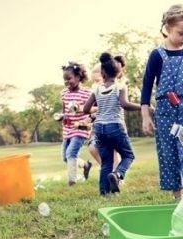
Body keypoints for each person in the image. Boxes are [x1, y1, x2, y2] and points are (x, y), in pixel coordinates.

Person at [140, 4, 183, 201]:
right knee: (169, 153)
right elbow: (146, 87)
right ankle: (177, 196)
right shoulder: (157, 55)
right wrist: (145, 116)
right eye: (181, 33)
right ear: (167, 28)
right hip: (165, 111)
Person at [83, 52, 141, 196]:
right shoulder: (120, 87)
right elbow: (124, 104)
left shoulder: (96, 89)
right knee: (128, 156)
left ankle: (104, 191)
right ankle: (117, 174)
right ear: (118, 72)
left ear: (102, 73)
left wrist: (98, 111)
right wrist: (143, 106)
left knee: (106, 161)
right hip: (115, 126)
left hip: (99, 128)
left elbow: (85, 109)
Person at [87, 56, 126, 169]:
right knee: (93, 148)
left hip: (114, 125)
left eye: (97, 80)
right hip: (99, 126)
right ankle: (108, 168)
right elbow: (91, 109)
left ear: (105, 75)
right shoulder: (97, 91)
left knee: (114, 151)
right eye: (94, 81)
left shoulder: (115, 89)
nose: (95, 84)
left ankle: (116, 174)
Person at [60, 61, 93, 186]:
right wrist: (62, 117)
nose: (67, 82)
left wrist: (82, 114)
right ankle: (85, 165)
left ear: (78, 77)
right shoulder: (63, 93)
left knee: (71, 153)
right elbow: (64, 112)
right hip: (68, 129)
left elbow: (92, 110)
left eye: (69, 79)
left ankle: (72, 182)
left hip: (81, 128)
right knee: (65, 157)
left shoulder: (87, 93)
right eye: (64, 80)